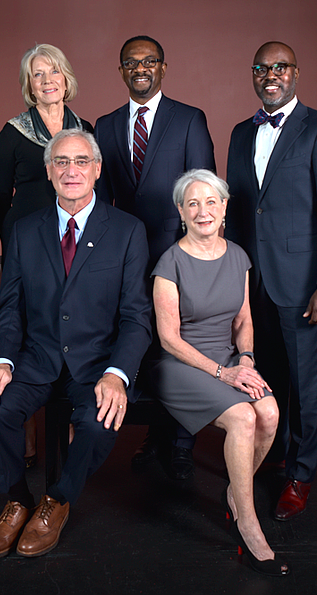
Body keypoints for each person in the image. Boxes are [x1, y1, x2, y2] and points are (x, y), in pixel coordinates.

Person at [0, 129, 151, 559]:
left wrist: (117, 374)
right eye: (61, 162)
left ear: (97, 169)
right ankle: (17, 501)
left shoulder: (127, 231)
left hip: (96, 364)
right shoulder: (25, 230)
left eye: (81, 161)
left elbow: (136, 317)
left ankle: (57, 500)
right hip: (35, 358)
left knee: (96, 423)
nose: (71, 170)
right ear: (49, 172)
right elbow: (10, 306)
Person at [225, 42, 317, 520]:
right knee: (264, 377)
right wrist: (232, 275)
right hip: (254, 283)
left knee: (305, 384)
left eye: (279, 67)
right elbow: (239, 210)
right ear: (253, 75)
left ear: (296, 73)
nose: (270, 75)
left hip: (303, 286)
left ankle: (300, 473)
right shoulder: (241, 133)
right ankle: (270, 453)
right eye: (261, 68)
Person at [152, 169, 288, 576]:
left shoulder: (238, 257)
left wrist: (245, 359)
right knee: (246, 416)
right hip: (181, 365)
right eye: (192, 203)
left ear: (224, 207)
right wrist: (222, 374)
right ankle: (247, 520)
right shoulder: (168, 264)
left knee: (270, 413)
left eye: (211, 201)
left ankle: (236, 492)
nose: (203, 210)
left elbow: (244, 319)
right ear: (181, 211)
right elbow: (169, 339)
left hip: (229, 359)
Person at [94, 35, 216, 479]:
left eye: (149, 61)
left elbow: (202, 189)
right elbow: (101, 200)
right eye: (131, 62)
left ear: (163, 68)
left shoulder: (188, 120)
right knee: (141, 341)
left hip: (178, 255)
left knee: (184, 344)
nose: (140, 68)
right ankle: (153, 435)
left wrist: (198, 255)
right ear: (122, 70)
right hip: (124, 257)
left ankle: (182, 443)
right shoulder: (105, 126)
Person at [0, 44, 93, 466]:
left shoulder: (84, 126)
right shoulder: (13, 131)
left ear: (66, 78)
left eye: (54, 72)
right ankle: (28, 427)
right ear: (28, 85)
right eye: (38, 74)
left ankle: (71, 416)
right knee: (29, 326)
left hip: (72, 238)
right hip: (29, 241)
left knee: (71, 323)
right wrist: (14, 245)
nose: (47, 80)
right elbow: (0, 197)